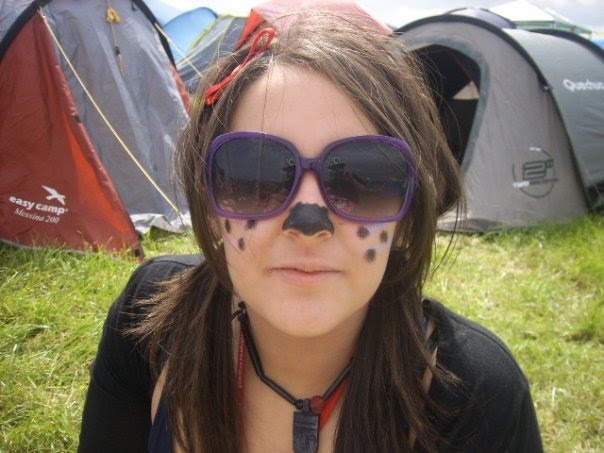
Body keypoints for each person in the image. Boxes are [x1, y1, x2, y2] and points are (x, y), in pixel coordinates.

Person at [78, 7, 543, 453]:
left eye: (364, 178)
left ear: (407, 219)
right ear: (211, 204)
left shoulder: (477, 395)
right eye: (255, 175)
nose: (308, 222)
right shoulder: (149, 322)